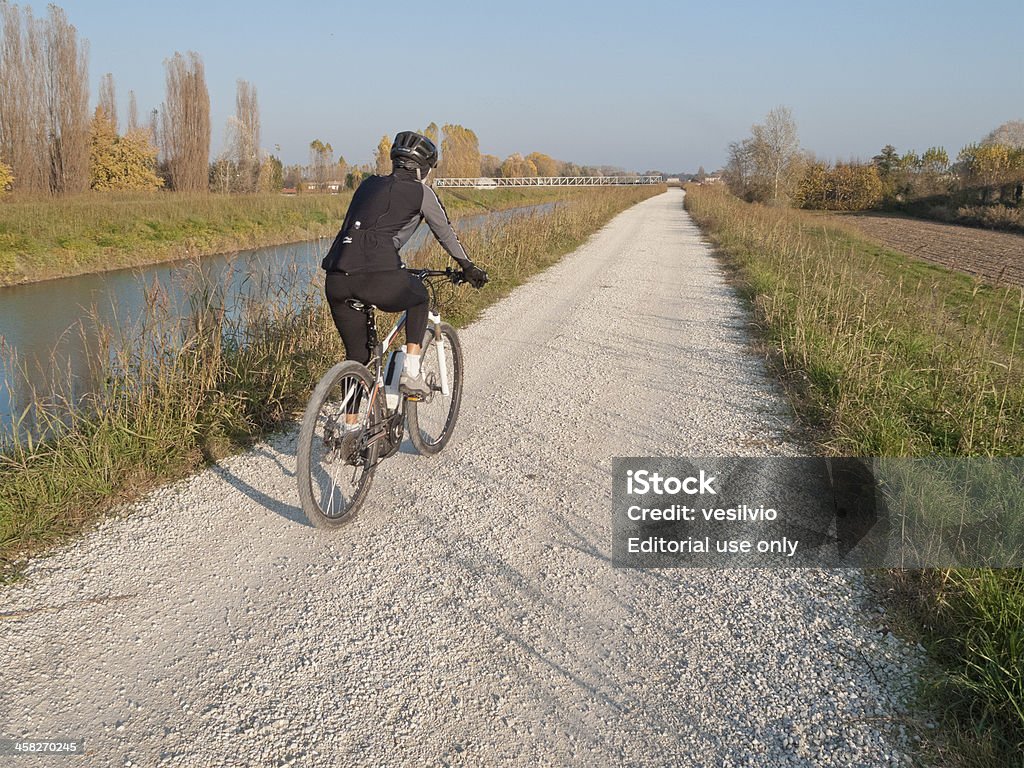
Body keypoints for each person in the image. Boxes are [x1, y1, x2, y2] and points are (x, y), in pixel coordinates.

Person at [321, 130, 488, 401]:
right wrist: (468, 267)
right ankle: (411, 373)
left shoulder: (367, 184)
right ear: (423, 168)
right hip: (377, 273)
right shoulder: (422, 192)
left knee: (358, 356)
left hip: (337, 276)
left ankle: (348, 430)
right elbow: (445, 232)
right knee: (419, 297)